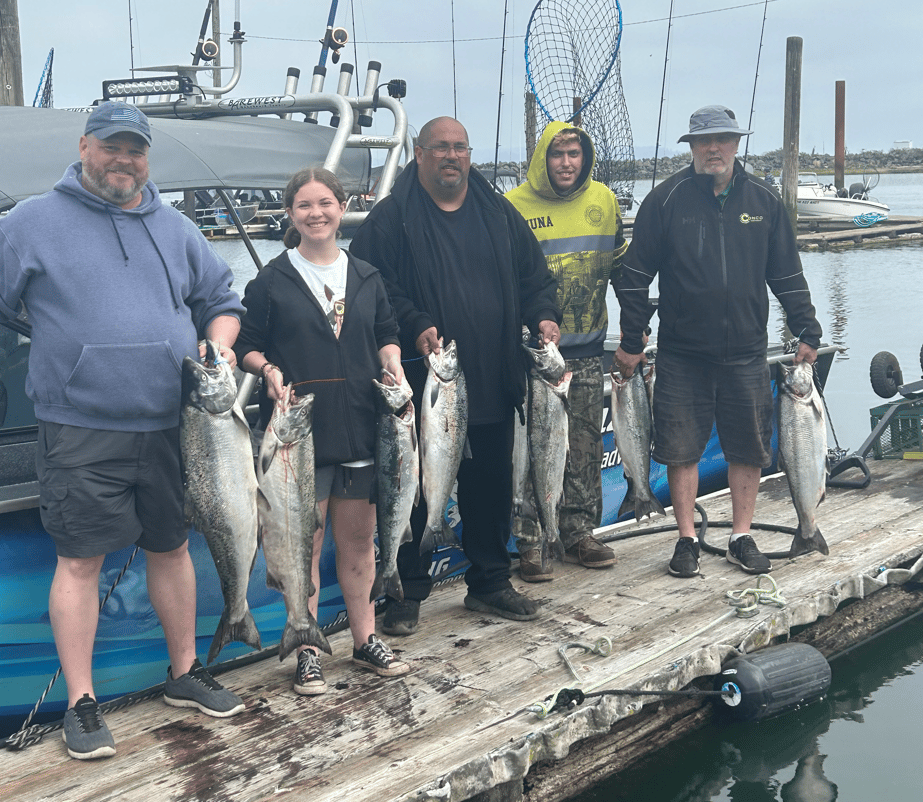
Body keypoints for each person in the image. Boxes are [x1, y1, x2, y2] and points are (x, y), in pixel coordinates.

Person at [0, 101, 247, 760]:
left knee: (172, 547)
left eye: (135, 150)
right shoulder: (32, 223)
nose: (123, 161)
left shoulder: (178, 227)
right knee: (78, 561)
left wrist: (221, 344)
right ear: (84, 146)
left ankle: (183, 672)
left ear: (147, 157)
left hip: (173, 426)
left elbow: (223, 301)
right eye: (111, 147)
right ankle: (81, 702)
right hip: (79, 428)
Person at [349, 116, 562, 636]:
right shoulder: (389, 219)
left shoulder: (500, 214)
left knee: (490, 484)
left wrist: (544, 316)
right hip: (427, 383)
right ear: (418, 154)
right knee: (420, 486)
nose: (451, 156)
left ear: (470, 155)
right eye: (440, 147)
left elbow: (536, 279)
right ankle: (408, 589)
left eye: (460, 148)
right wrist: (416, 323)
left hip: (494, 374)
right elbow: (372, 288)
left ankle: (489, 581)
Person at [612, 105, 822, 578]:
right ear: (690, 146)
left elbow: (787, 273)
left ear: (736, 143)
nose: (714, 149)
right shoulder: (665, 200)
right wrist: (630, 337)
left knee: (747, 448)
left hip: (747, 350)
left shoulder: (766, 202)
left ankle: (740, 535)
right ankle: (686, 538)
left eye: (723, 140)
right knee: (681, 449)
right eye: (704, 142)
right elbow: (632, 277)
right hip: (682, 352)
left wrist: (807, 329)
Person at [234, 167, 411, 695]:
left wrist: (394, 361)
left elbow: (386, 334)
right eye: (305, 205)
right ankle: (307, 648)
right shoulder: (271, 279)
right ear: (291, 213)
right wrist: (267, 371)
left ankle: (365, 639)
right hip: (296, 438)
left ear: (342, 206)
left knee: (359, 545)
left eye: (326, 203)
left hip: (360, 427)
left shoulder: (367, 275)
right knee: (302, 546)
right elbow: (246, 344)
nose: (316, 213)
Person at [505, 121, 626, 582]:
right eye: (557, 155)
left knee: (583, 448)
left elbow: (620, 267)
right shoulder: (512, 206)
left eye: (574, 154)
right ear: (542, 158)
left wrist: (635, 330)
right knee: (535, 451)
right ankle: (531, 541)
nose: (567, 164)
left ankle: (578, 532)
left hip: (588, 349)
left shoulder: (605, 201)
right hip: (533, 357)